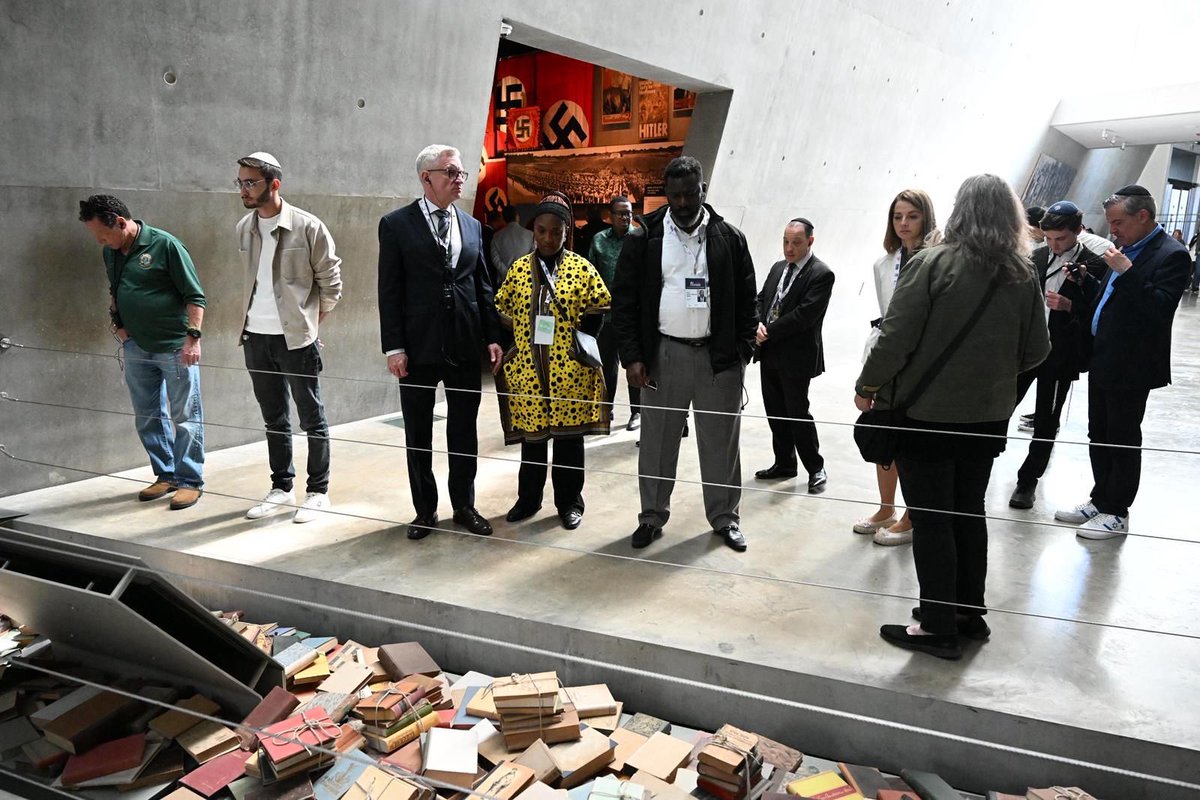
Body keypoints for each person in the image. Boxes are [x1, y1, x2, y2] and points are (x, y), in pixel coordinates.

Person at [855, 174, 1050, 659]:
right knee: (968, 512)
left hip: (929, 416)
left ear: (960, 211)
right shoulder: (1021, 273)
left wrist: (868, 386)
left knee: (932, 519)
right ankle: (968, 614)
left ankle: (937, 625)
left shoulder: (933, 263)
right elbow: (1036, 351)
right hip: (987, 422)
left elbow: (895, 338)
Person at [612, 156, 758, 552]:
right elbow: (624, 300)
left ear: (702, 191)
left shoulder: (729, 238)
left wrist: (742, 352)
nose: (680, 202)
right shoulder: (646, 236)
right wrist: (633, 356)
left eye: (688, 193)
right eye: (673, 195)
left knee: (720, 444)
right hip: (664, 354)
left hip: (718, 360)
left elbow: (748, 300)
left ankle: (725, 518)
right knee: (657, 442)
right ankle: (652, 517)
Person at [378, 144, 504, 540]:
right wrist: (394, 347)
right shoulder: (397, 225)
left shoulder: (471, 226)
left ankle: (464, 505)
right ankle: (425, 510)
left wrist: (492, 337)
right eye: (450, 172)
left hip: (465, 343)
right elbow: (389, 290)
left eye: (462, 173)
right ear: (426, 177)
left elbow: (482, 284)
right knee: (418, 432)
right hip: (417, 346)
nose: (459, 180)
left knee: (464, 430)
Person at [1054, 184, 1191, 539]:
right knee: (1098, 433)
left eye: (1118, 222)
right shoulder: (1124, 249)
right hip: (1103, 357)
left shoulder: (1172, 255)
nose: (1112, 230)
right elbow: (1109, 302)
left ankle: (1117, 511)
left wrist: (1127, 272)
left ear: (1142, 216)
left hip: (1133, 364)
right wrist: (1083, 286)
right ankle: (1101, 499)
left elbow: (1159, 309)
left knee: (1122, 436)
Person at [79, 194, 208, 510]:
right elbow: (115, 290)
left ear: (120, 222)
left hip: (174, 345)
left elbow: (195, 295)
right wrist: (119, 326)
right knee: (147, 416)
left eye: (103, 234)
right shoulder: (112, 252)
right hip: (136, 345)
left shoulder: (165, 245)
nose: (101, 241)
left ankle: (190, 481)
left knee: (185, 415)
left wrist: (193, 338)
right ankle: (166, 475)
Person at [234, 152, 343, 523]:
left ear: (274, 184)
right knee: (273, 418)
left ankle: (318, 491)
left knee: (312, 417)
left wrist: (310, 325)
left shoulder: (308, 227)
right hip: (254, 337)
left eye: (251, 182)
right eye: (241, 182)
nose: (244, 190)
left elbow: (331, 283)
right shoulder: (243, 228)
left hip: (296, 340)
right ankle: (281, 486)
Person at [495, 192, 611, 529]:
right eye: (542, 230)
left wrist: (578, 348)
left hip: (569, 373)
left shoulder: (581, 269)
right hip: (529, 372)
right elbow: (504, 315)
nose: (548, 238)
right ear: (534, 231)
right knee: (532, 442)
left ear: (566, 232)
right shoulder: (518, 271)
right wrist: (514, 352)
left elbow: (597, 312)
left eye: (555, 232)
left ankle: (570, 502)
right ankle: (528, 500)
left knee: (568, 443)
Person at [854, 189, 940, 546]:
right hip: (888, 356)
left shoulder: (938, 259)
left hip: (923, 364)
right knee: (882, 432)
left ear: (926, 218)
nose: (904, 223)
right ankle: (886, 507)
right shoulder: (883, 263)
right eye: (898, 216)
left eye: (912, 216)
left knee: (912, 441)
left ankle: (911, 515)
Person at [1007, 201, 1097, 509]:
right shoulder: (1037, 256)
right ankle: (979, 465)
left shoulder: (1094, 264)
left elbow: (1099, 314)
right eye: (1048, 238)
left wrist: (1071, 305)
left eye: (1061, 239)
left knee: (1047, 421)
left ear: (1078, 231)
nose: (1054, 245)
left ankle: (1027, 481)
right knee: (1001, 407)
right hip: (1025, 350)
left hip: (1061, 356)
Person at [753, 218, 834, 493]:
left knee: (797, 413)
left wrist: (770, 330)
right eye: (786, 242)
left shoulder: (821, 274)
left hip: (796, 355)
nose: (789, 248)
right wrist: (758, 324)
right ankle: (784, 463)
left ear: (810, 241)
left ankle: (815, 467)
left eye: (796, 243)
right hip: (770, 351)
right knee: (775, 411)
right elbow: (761, 299)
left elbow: (805, 315)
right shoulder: (778, 268)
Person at [588, 196, 642, 431]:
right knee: (607, 366)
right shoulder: (599, 240)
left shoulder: (640, 238)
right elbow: (589, 274)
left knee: (634, 364)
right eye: (620, 213)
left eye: (628, 213)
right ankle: (606, 409)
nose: (625, 217)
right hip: (606, 317)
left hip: (633, 316)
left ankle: (637, 412)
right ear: (610, 216)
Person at [490, 204, 534, 283]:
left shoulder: (496, 236)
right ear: (517, 216)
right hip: (525, 280)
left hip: (504, 282)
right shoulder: (530, 235)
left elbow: (495, 259)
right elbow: (533, 255)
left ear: (503, 218)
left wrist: (507, 274)